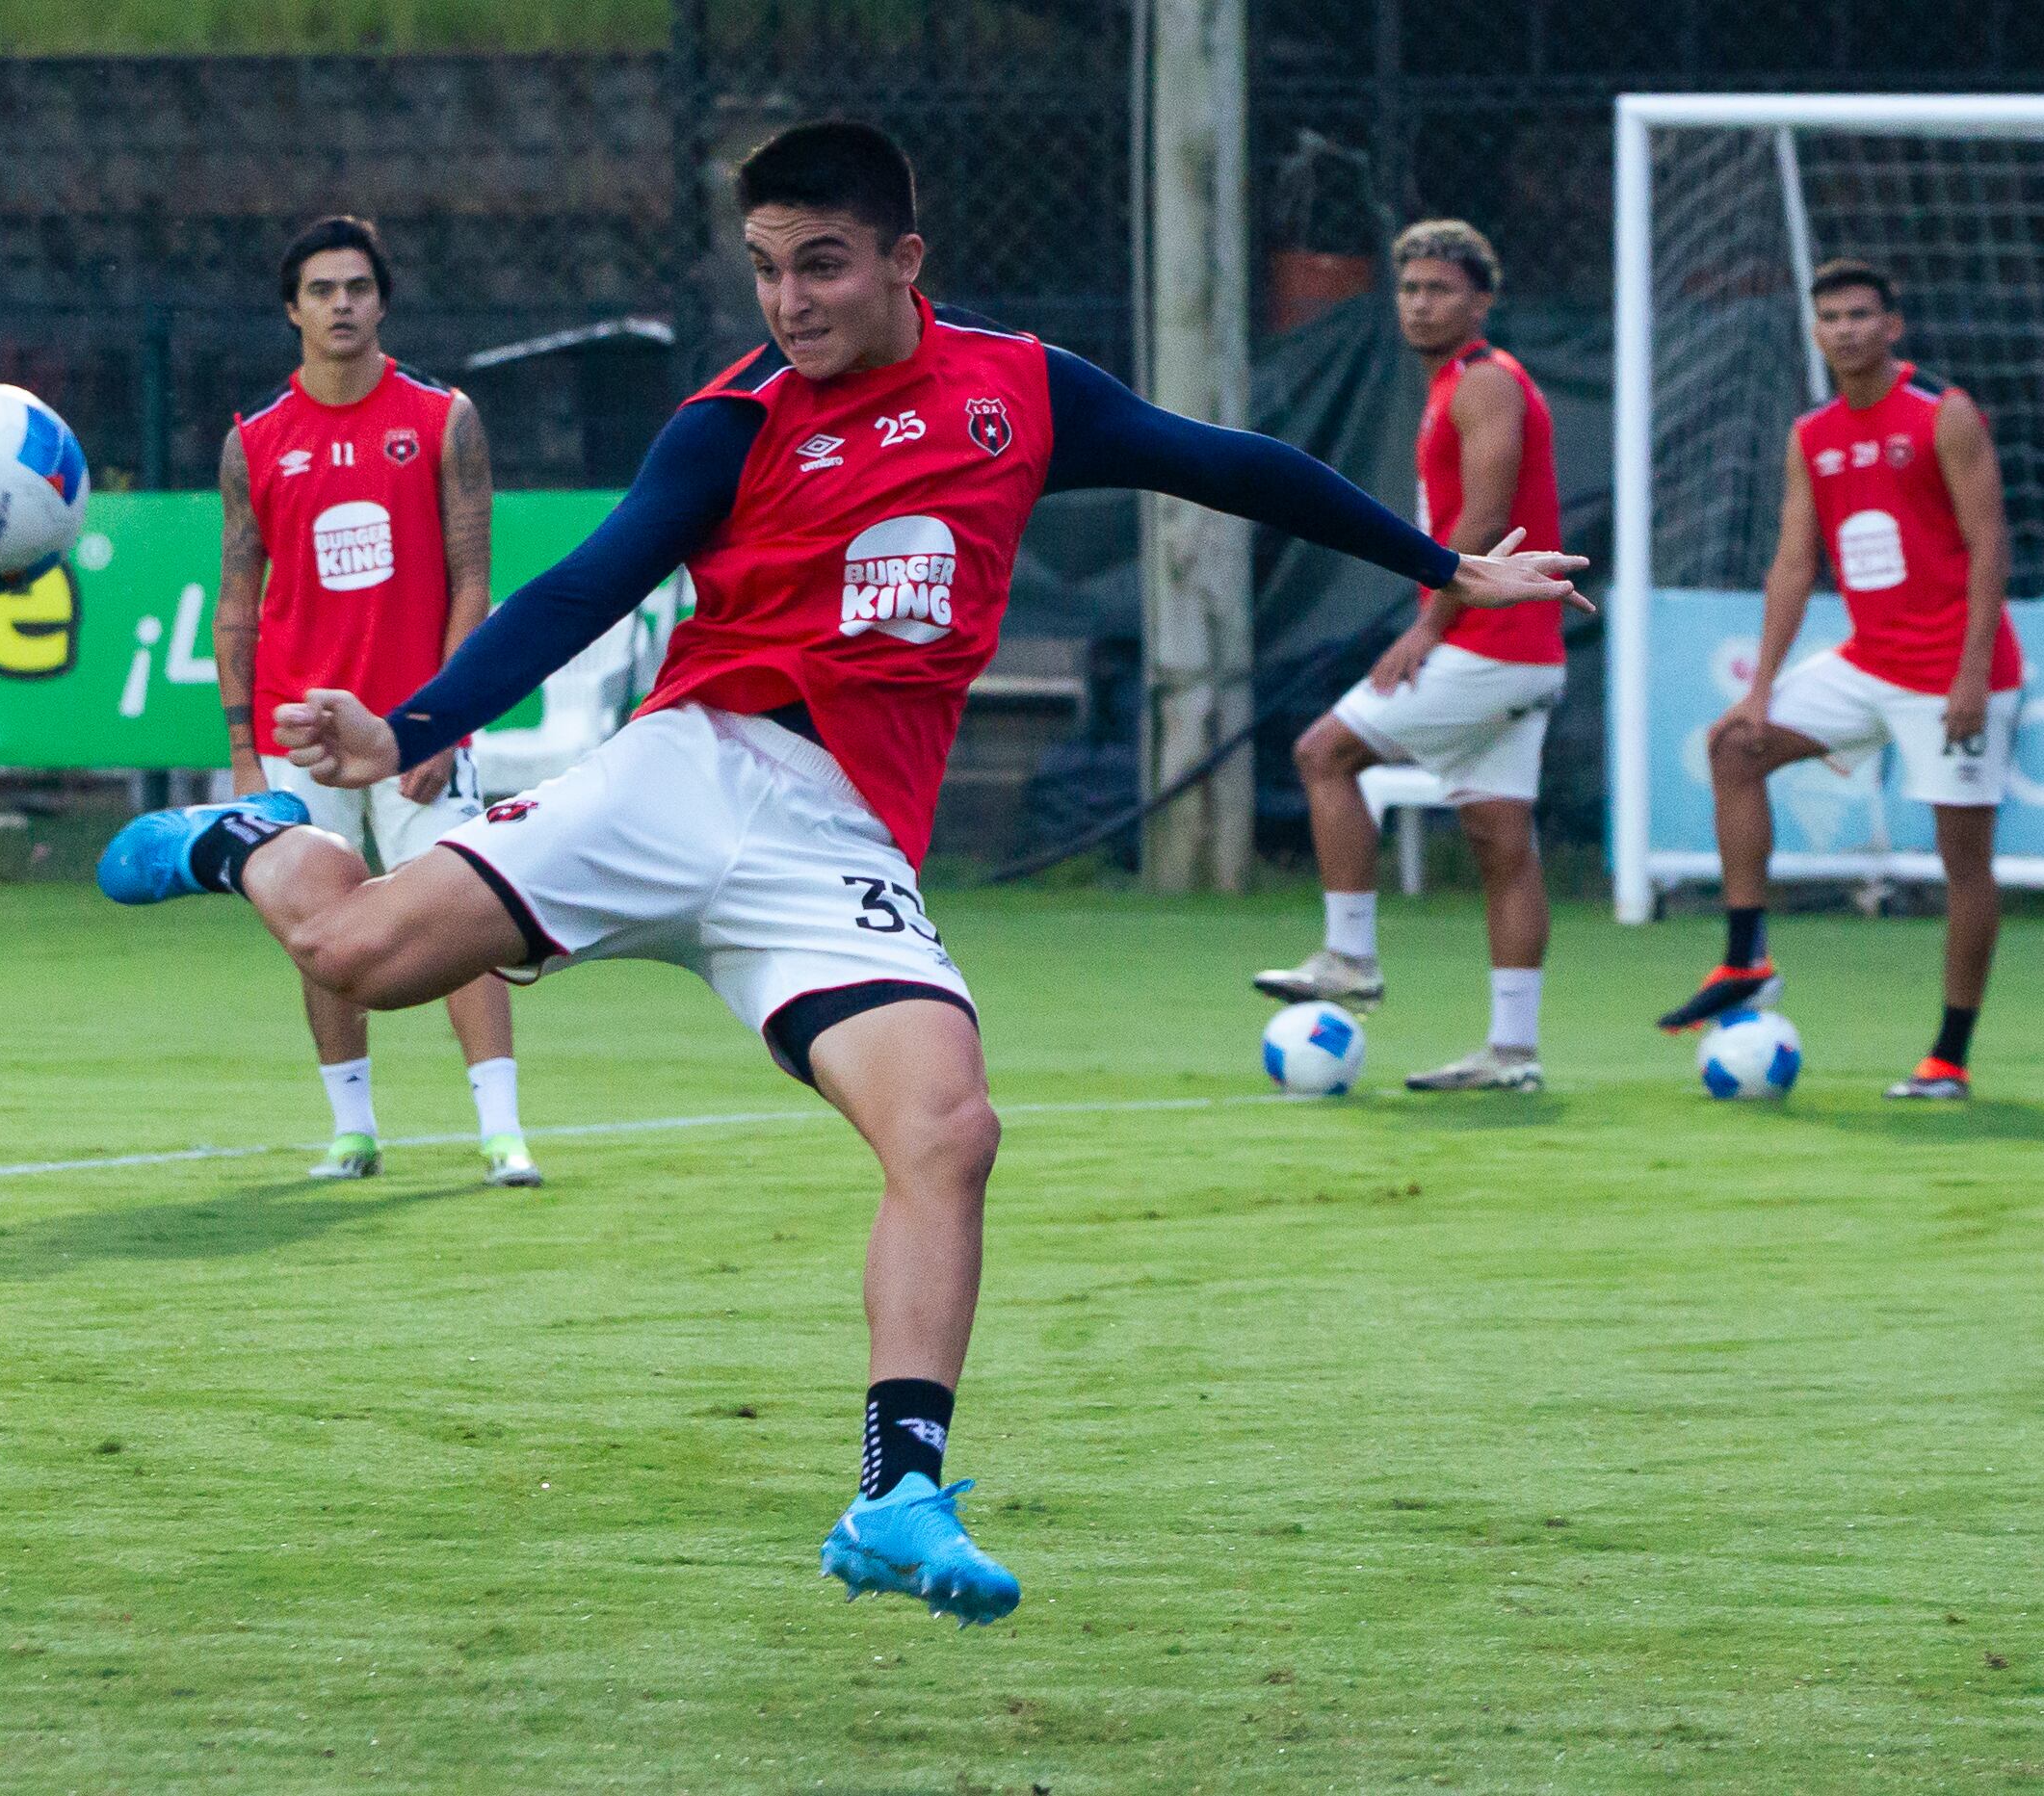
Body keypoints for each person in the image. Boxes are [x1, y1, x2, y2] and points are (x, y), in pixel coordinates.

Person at [99, 123, 1585, 1623]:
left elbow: (1224, 464)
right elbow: (587, 579)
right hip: (685, 772)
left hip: (834, 845)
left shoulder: (1019, 392)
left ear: (900, 262)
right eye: (762, 270)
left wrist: (1442, 568)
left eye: (819, 264)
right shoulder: (730, 423)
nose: (788, 301)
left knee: (949, 1128)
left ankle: (896, 1493)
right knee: (349, 954)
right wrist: (411, 725)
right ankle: (234, 839)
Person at [213, 215, 539, 1184]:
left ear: (381, 300)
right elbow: (237, 606)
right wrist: (241, 757)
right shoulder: (254, 442)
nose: (341, 303)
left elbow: (471, 581)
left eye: (356, 286)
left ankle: (502, 1130)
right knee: (322, 935)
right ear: (291, 310)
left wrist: (445, 719)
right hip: (296, 735)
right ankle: (351, 1129)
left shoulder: (442, 420)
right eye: (320, 289)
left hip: (411, 728)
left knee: (462, 917)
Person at [1657, 257, 2023, 1100]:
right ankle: (1747, 958)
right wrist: (1761, 688)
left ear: (1892, 327)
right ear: (1815, 331)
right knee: (1734, 746)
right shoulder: (1811, 434)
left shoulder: (1944, 413)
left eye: (1862, 314)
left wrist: (1972, 678)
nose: (1847, 329)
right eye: (1831, 316)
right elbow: (1793, 562)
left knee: (1962, 860)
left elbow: (1989, 544)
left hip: (1956, 675)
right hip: (1870, 659)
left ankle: (1948, 1057)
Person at [1253, 221, 1569, 1093]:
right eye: (1408, 289)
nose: (1420, 304)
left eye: (1438, 289)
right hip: (1515, 649)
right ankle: (1512, 1053)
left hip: (1491, 643)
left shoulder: (1484, 383)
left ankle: (1350, 955)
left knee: (1325, 751)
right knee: (1501, 839)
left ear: (1481, 300)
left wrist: (1429, 625)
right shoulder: (1449, 386)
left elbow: (1484, 516)